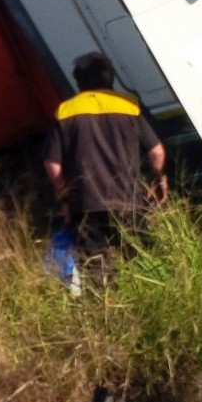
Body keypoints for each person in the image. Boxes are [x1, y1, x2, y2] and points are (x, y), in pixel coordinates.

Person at [42, 53, 167, 273]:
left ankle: (105, 306)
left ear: (78, 81)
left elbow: (53, 165)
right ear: (111, 78)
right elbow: (156, 152)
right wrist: (159, 180)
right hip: (129, 201)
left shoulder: (65, 111)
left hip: (85, 205)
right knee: (142, 265)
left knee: (97, 271)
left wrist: (66, 198)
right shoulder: (129, 105)